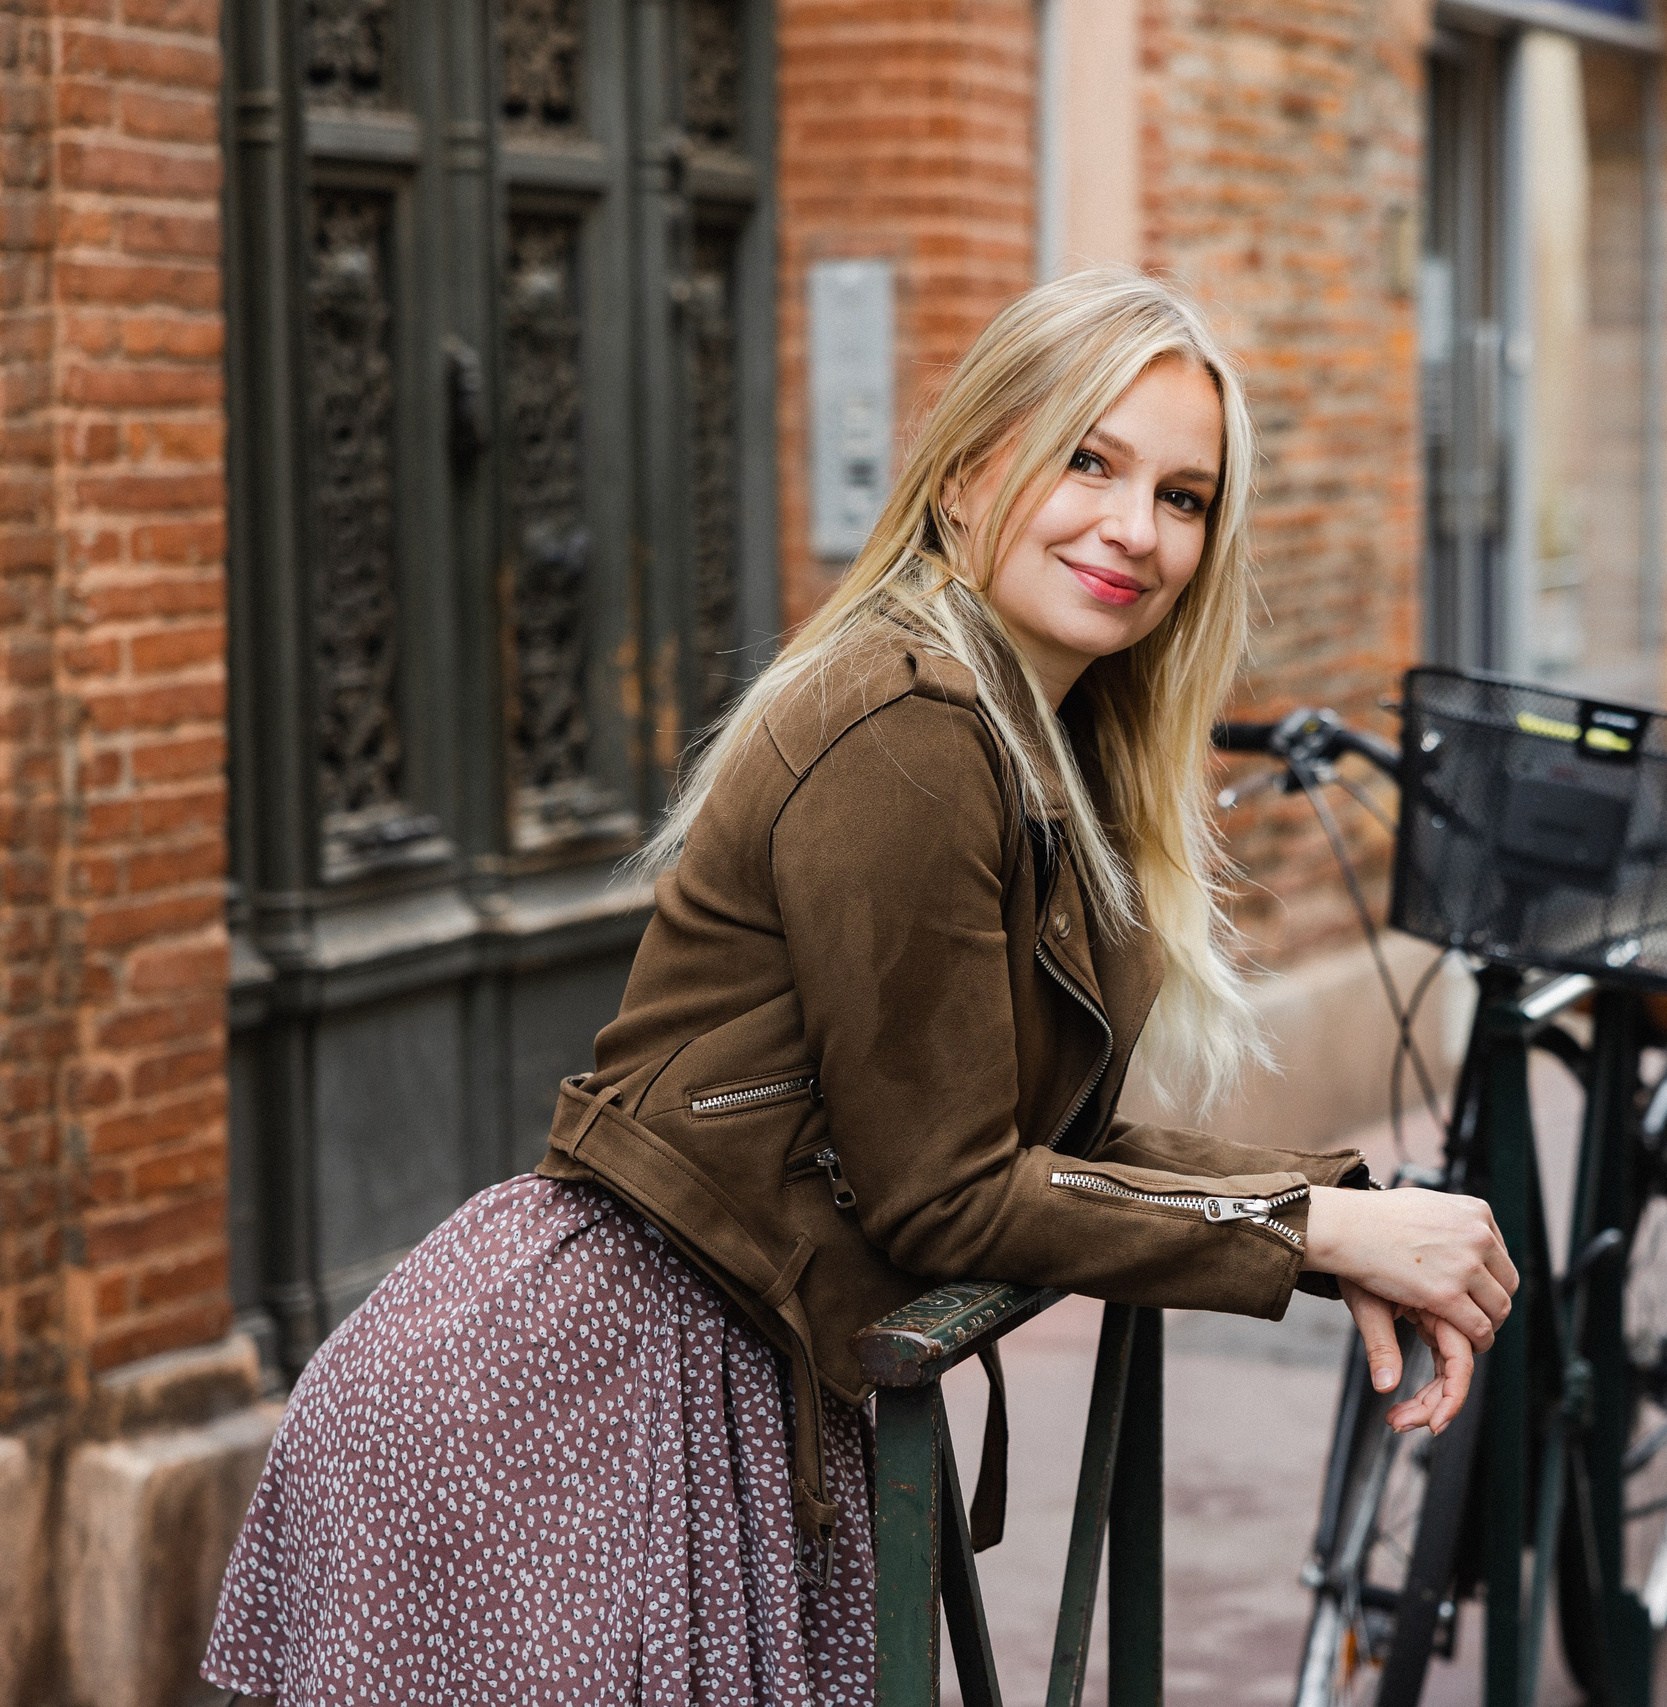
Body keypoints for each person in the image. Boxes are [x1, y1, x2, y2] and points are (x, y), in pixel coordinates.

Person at [202, 269, 1518, 1706]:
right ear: (964, 477)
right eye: (1088, 460)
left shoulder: (1038, 746)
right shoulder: (908, 725)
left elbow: (1032, 1152)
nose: (1136, 529)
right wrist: (1310, 1230)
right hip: (585, 1401)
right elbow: (947, 1196)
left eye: (1184, 496)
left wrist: (1333, 1215)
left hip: (731, 1374)